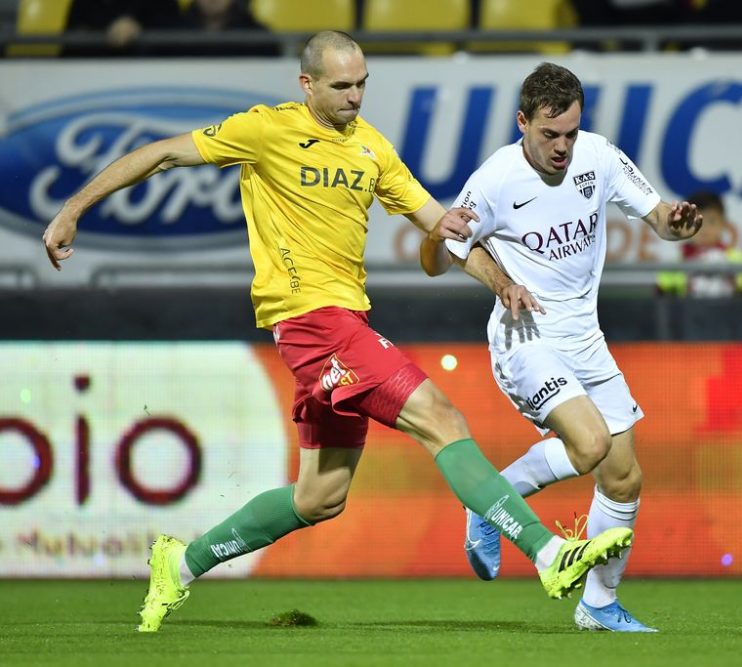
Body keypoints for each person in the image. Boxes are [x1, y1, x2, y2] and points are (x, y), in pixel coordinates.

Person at [41, 32, 633, 633]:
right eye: (341, 86)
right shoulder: (265, 130)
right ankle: (548, 554)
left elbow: (434, 221)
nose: (355, 97)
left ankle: (180, 563)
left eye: (362, 84)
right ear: (308, 85)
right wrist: (72, 209)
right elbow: (163, 154)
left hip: (346, 322)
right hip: (311, 323)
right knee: (441, 419)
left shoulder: (371, 147)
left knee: (318, 497)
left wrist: (476, 253)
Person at [420, 63, 701, 632]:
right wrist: (497, 279)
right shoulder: (496, 178)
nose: (563, 147)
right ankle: (491, 503)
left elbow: (660, 221)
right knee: (592, 443)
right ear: (522, 122)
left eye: (571, 132)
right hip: (524, 337)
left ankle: (597, 605)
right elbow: (436, 259)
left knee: (624, 478)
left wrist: (678, 221)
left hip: (585, 338)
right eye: (550, 134)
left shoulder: (599, 156)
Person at [655, 190, 742, 298]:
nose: (704, 229)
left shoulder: (740, 260)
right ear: (684, 224)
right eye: (696, 222)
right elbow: (661, 299)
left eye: (712, 221)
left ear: (723, 224)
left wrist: (732, 282)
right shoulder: (675, 263)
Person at [63, 0, 182, 57]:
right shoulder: (84, 3)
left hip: (150, 85)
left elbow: (176, 41)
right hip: (94, 85)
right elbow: (69, 50)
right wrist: (103, 32)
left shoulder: (162, 3)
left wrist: (138, 28)